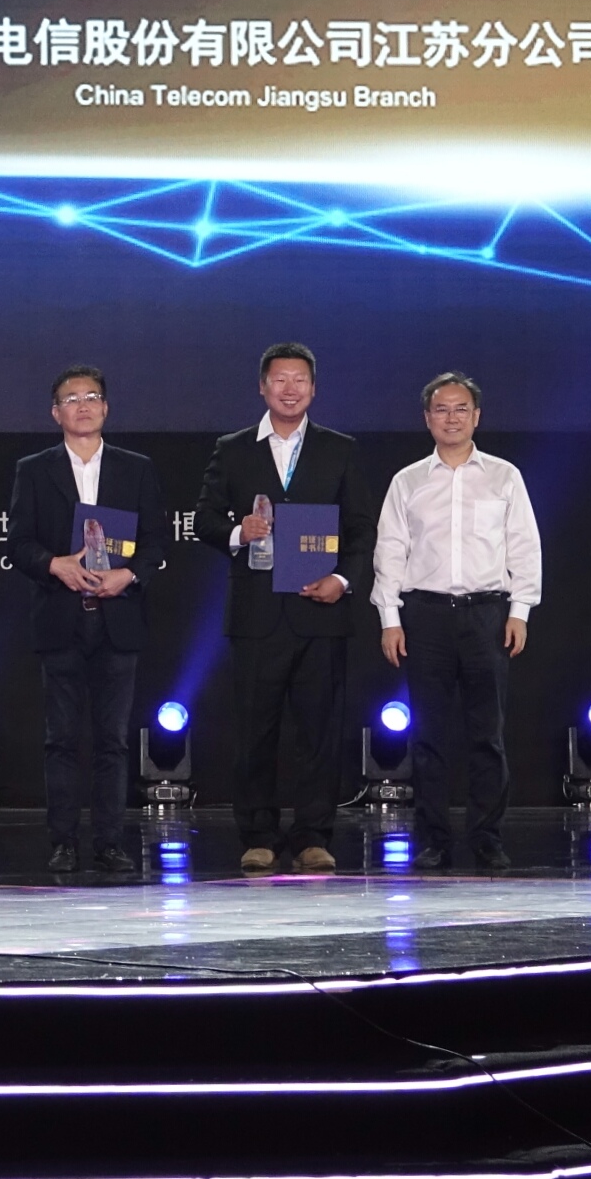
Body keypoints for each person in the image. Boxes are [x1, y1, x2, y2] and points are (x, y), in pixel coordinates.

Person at [194, 342, 376, 876]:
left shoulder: (340, 449)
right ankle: (259, 836)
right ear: (262, 387)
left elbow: (361, 528)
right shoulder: (233, 450)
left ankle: (314, 835)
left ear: (313, 389)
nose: (289, 388)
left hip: (321, 611)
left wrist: (342, 579)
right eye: (280, 379)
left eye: (299, 379)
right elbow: (204, 519)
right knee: (255, 731)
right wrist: (238, 531)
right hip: (257, 615)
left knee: (319, 732)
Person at [7, 365, 172, 876]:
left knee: (112, 740)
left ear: (106, 407)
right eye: (72, 398)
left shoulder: (136, 468)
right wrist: (54, 564)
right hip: (60, 617)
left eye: (93, 396)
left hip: (118, 619)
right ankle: (62, 841)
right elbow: (19, 542)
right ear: (56, 413)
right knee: (60, 739)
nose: (84, 405)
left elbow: (157, 541)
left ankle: (109, 842)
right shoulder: (35, 469)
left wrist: (130, 574)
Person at [371, 371, 539, 872]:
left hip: (487, 614)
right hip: (425, 617)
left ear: (476, 416)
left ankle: (487, 837)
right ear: (427, 419)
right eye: (441, 409)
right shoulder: (407, 481)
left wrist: (520, 610)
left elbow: (524, 546)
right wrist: (389, 618)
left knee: (488, 734)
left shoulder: (504, 476)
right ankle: (434, 840)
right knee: (429, 736)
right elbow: (390, 551)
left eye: (461, 408)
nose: (451, 418)